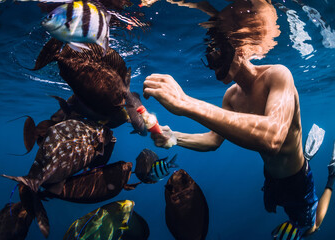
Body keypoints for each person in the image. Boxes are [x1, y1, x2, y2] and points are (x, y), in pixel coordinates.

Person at [142, 0, 334, 238]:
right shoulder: (231, 96)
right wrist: (175, 137)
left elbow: (272, 138)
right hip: (272, 177)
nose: (214, 62)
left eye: (219, 51)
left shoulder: (278, 75)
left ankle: (332, 179)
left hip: (297, 179)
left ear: (241, 49)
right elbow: (213, 141)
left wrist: (186, 103)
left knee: (310, 227)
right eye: (210, 57)